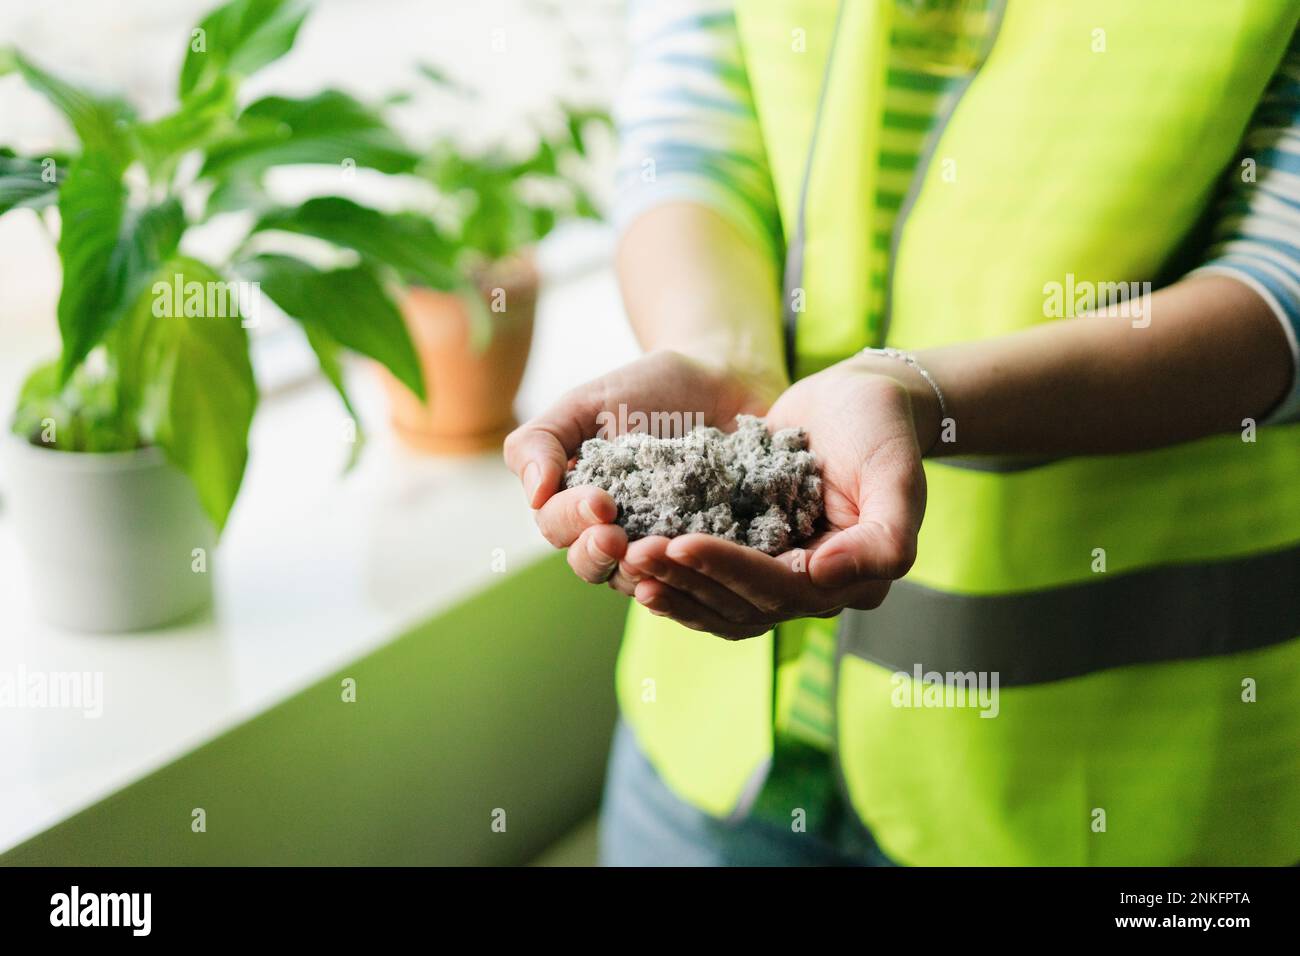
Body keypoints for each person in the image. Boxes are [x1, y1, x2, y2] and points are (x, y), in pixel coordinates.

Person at [504, 0, 1300, 866]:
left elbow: (1278, 281)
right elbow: (689, 116)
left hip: (1090, 789)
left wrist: (920, 396)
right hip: (714, 760)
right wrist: (713, 346)